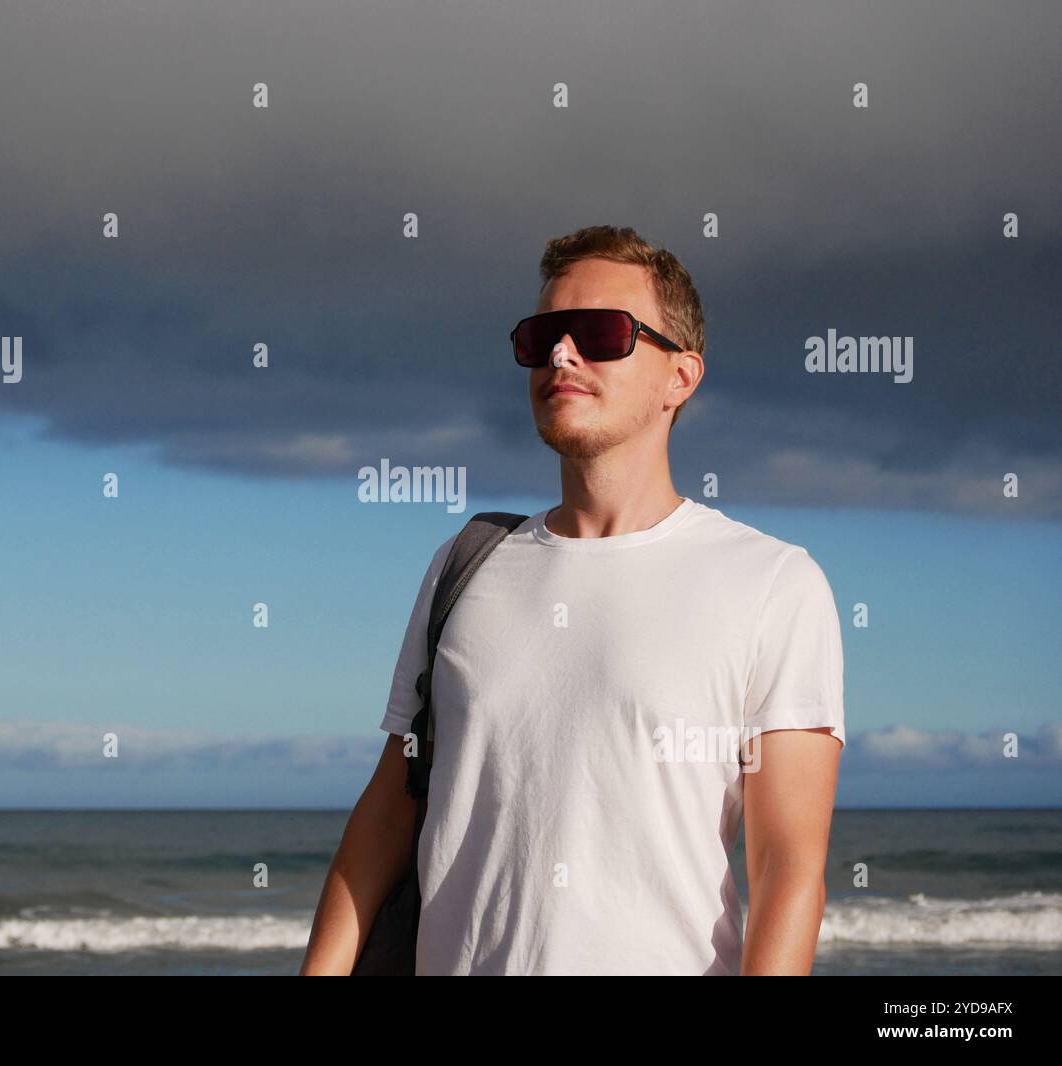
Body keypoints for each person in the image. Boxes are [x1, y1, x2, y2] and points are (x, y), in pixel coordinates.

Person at [301, 224, 845, 976]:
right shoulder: (465, 567)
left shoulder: (772, 583)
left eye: (599, 333)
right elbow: (389, 812)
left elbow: (788, 869)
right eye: (542, 336)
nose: (562, 353)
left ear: (680, 377)